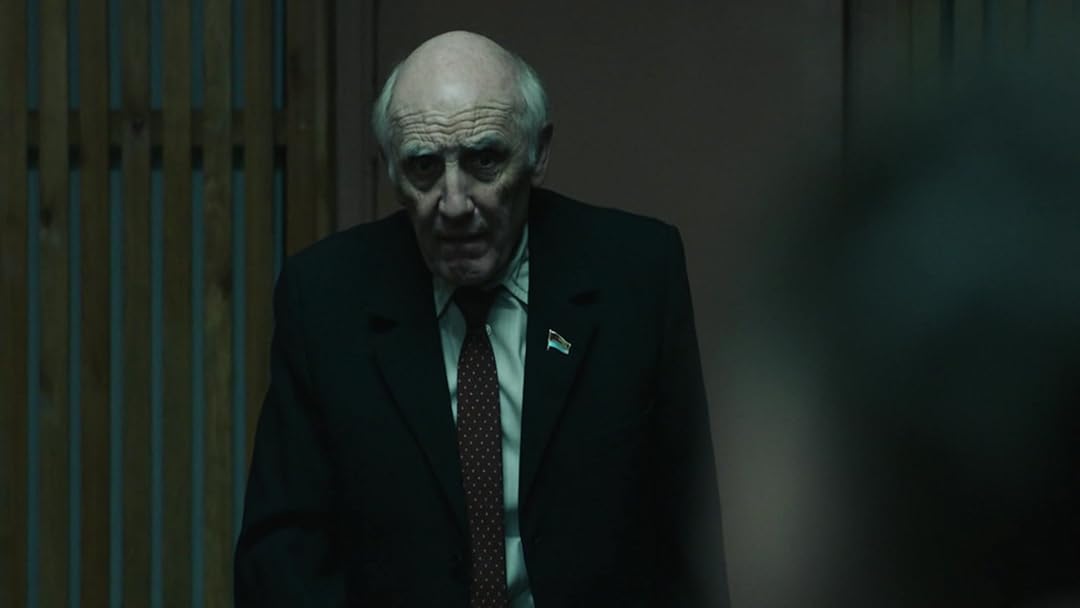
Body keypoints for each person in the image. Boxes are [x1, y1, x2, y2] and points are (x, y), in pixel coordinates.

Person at [235, 31, 728, 607]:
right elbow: (281, 554)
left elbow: (686, 535)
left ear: (538, 152)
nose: (454, 204)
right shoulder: (325, 298)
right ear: (391, 170)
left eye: (485, 160)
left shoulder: (636, 276)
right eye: (423, 167)